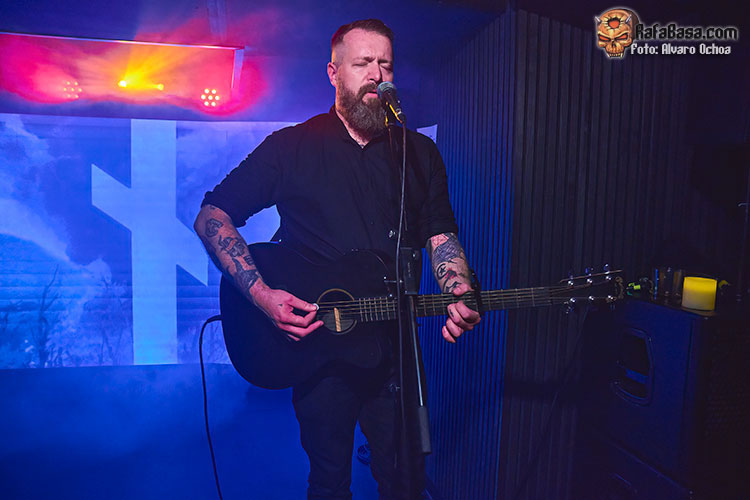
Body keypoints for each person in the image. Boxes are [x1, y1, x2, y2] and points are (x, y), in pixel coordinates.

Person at [194, 18, 480, 500]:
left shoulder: (419, 153)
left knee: (404, 482)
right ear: (334, 72)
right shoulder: (292, 147)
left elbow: (439, 234)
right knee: (329, 482)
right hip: (320, 353)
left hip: (394, 350)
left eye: (385, 64)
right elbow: (212, 216)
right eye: (363, 63)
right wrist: (261, 295)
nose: (376, 75)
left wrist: (459, 289)